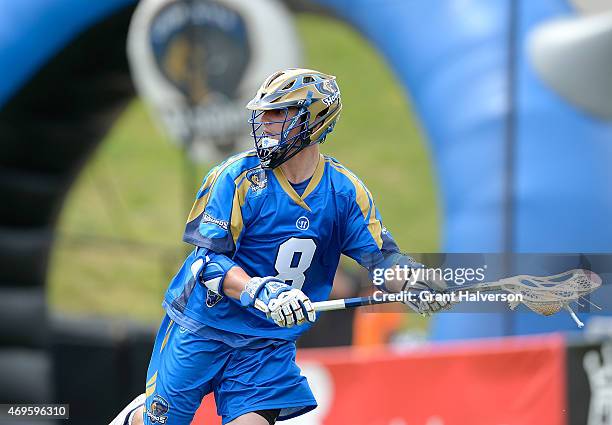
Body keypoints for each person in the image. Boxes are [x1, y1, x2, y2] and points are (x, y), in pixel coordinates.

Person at [110, 68, 450, 425]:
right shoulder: (236, 178)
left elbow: (381, 259)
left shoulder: (344, 193)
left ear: (315, 119)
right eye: (263, 113)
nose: (265, 123)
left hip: (266, 342)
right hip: (204, 325)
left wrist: (413, 281)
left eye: (278, 113)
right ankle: (139, 413)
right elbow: (207, 263)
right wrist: (259, 291)